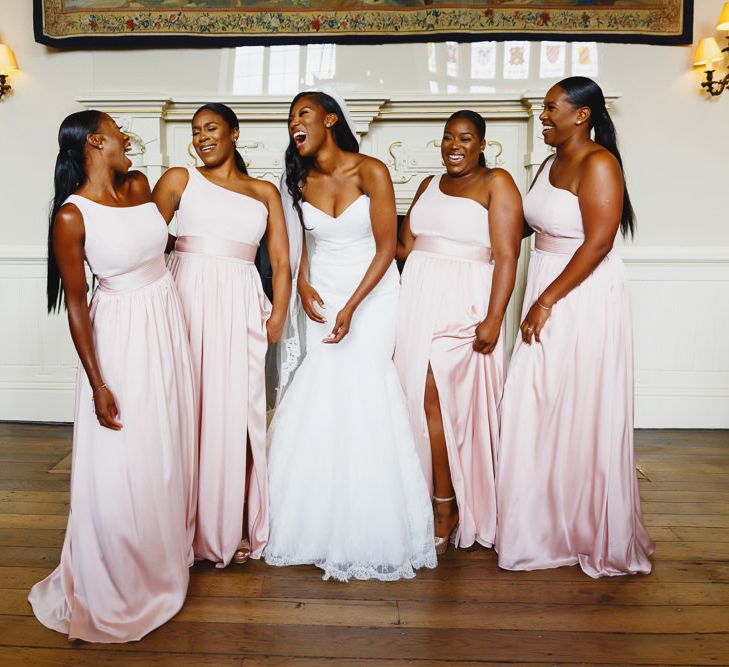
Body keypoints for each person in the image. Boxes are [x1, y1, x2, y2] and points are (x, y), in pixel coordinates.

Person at [29, 110, 197, 641]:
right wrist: (99, 383)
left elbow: (162, 246)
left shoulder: (140, 185)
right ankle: (113, 580)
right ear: (97, 141)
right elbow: (77, 306)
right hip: (121, 337)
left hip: (166, 321)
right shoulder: (73, 216)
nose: (127, 137)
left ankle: (162, 555)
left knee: (163, 449)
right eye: (117, 130)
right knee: (126, 457)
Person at [264, 90, 437, 581]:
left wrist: (354, 306)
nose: (293, 122)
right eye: (289, 116)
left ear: (330, 119)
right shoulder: (296, 181)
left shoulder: (372, 171)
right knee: (321, 390)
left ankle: (374, 523)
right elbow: (295, 247)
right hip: (325, 292)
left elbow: (388, 250)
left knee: (367, 387)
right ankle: (311, 521)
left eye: (303, 113)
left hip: (374, 294)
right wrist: (301, 282)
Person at [495, 77, 654, 578]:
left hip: (580, 292)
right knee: (536, 400)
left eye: (550, 109)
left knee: (575, 400)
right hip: (548, 277)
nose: (542, 116)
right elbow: (522, 224)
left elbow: (599, 241)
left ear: (581, 115)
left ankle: (581, 525)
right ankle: (538, 520)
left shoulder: (599, 163)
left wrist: (544, 301)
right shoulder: (547, 163)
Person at [153, 103, 290, 568]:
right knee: (184, 408)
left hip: (239, 303)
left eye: (211, 128)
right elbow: (143, 238)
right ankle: (174, 525)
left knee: (236, 412)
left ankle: (226, 525)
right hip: (184, 297)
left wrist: (278, 316)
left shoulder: (264, 192)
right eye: (195, 131)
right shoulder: (179, 180)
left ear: (234, 132)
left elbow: (283, 263)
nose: (202, 137)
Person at [394, 110, 522, 554]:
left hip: (464, 300)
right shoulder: (428, 185)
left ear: (482, 144)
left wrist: (494, 317)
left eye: (465, 138)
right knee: (414, 394)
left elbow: (507, 255)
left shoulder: (497, 182)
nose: (455, 145)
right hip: (416, 300)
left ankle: (446, 503)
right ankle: (422, 497)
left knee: (439, 394)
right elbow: (405, 247)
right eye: (448, 137)